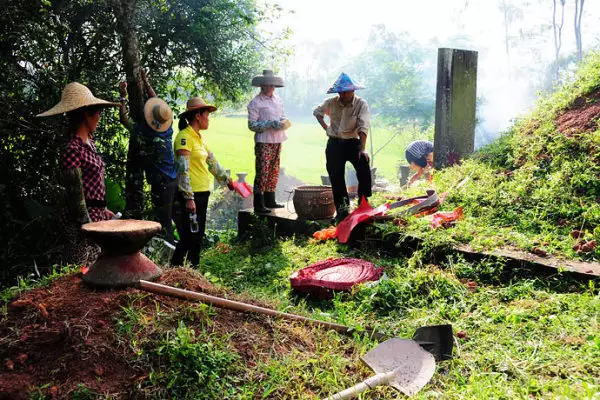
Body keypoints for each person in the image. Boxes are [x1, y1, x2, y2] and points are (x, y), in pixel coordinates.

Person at [37, 82, 118, 265]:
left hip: (95, 220)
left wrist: (102, 210)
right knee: (78, 273)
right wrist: (88, 226)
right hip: (81, 226)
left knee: (95, 271)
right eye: (97, 112)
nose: (99, 116)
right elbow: (75, 195)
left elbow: (91, 186)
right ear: (85, 114)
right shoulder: (72, 149)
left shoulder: (90, 143)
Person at [171, 97, 234, 266]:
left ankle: (193, 271)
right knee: (188, 236)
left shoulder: (199, 139)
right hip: (191, 195)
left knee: (197, 235)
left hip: (202, 193)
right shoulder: (184, 138)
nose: (209, 119)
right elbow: (183, 170)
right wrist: (189, 197)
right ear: (198, 116)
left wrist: (227, 180)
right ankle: (175, 270)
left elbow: (212, 163)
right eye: (207, 115)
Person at [119, 70, 177, 244]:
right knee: (168, 219)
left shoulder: (144, 133)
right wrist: (147, 82)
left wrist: (122, 96)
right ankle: (173, 248)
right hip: (173, 180)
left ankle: (170, 252)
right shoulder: (168, 129)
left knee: (163, 221)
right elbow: (161, 107)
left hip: (161, 184)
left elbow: (124, 119)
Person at [313, 72, 371, 220]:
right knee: (336, 176)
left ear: (353, 90)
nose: (343, 94)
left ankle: (363, 204)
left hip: (353, 143)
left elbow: (363, 127)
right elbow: (317, 112)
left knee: (363, 166)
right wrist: (326, 128)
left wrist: (363, 149)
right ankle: (342, 210)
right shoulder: (331, 102)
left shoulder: (361, 104)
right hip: (334, 143)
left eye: (346, 91)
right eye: (341, 91)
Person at [247, 70, 292, 213]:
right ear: (263, 86)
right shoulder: (255, 102)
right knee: (263, 171)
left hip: (277, 140)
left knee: (273, 170)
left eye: (274, 85)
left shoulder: (278, 100)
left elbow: (282, 116)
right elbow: (252, 125)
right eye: (270, 85)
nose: (272, 87)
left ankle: (270, 200)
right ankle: (259, 204)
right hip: (263, 141)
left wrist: (282, 122)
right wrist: (268, 124)